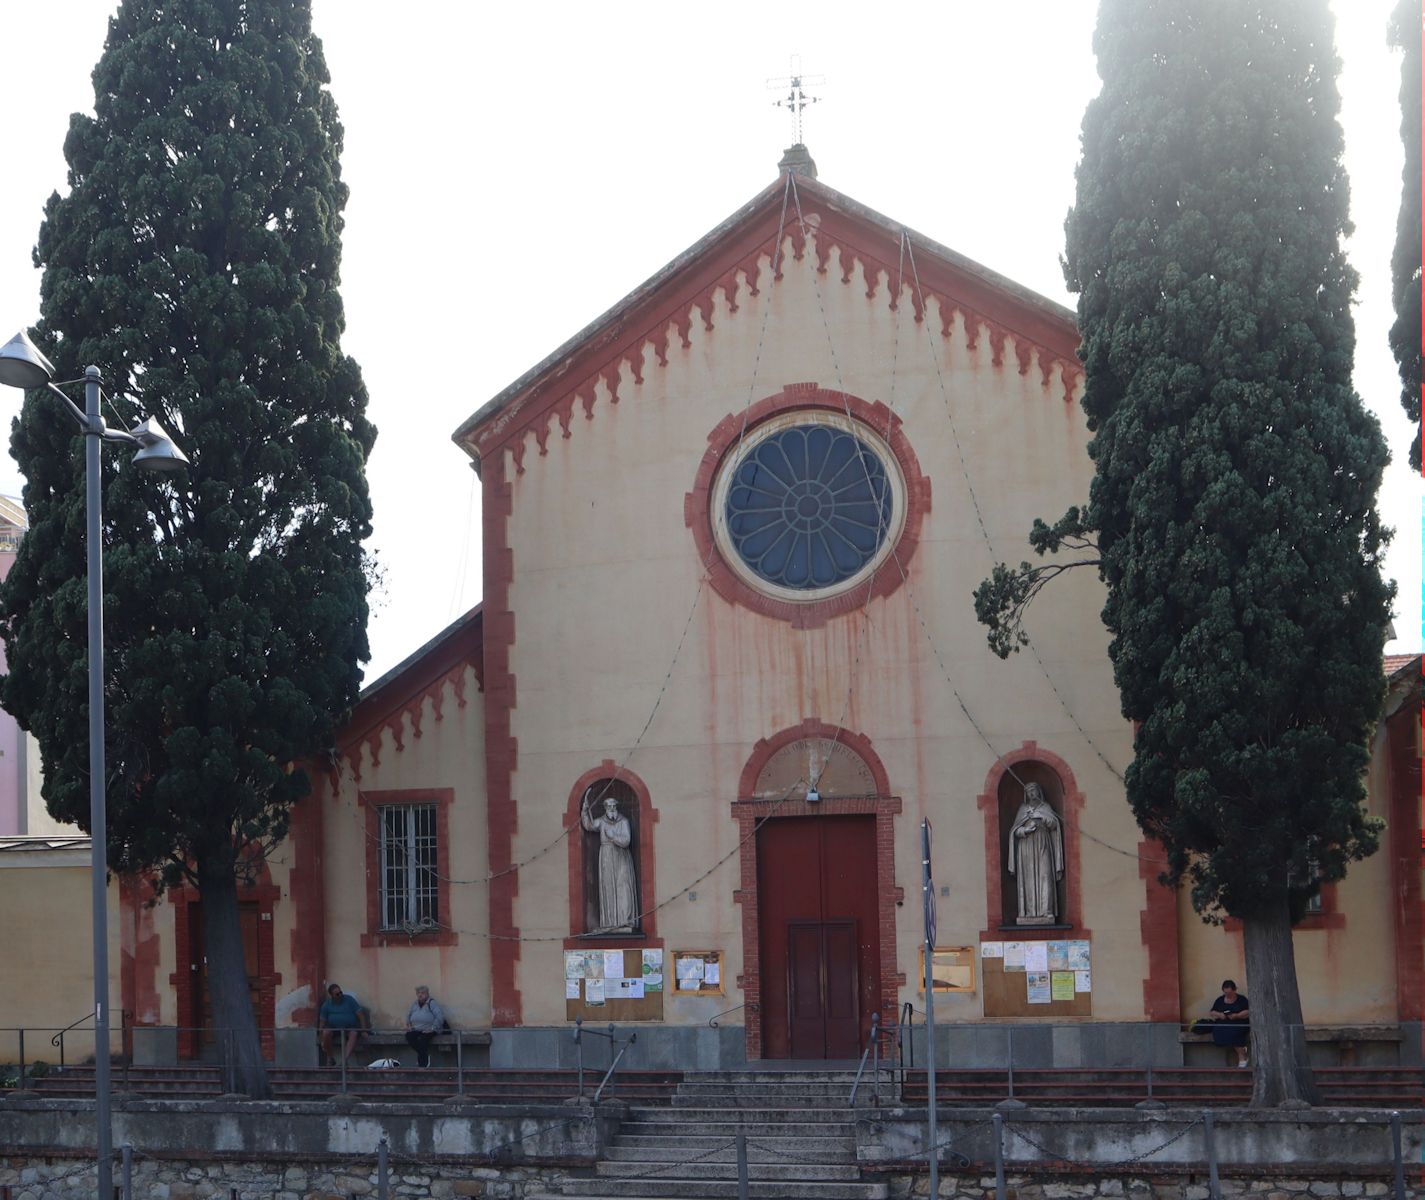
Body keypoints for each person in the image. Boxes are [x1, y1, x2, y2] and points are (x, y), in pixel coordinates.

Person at [580, 786, 638, 932]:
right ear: (605, 808)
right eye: (609, 806)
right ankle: (610, 922)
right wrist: (585, 809)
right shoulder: (601, 821)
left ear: (616, 807)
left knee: (623, 886)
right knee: (608, 887)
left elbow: (626, 841)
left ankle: (625, 921)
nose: (611, 808)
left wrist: (613, 836)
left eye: (613, 806)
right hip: (606, 856)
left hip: (621, 856)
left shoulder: (623, 821)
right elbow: (588, 825)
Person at [1007, 782, 1064, 924]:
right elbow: (1014, 831)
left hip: (1042, 843)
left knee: (1045, 874)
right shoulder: (1023, 809)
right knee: (1027, 878)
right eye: (1028, 791)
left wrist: (1040, 816)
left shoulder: (1045, 807)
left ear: (1039, 792)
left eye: (1033, 790)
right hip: (1026, 847)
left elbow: (1054, 824)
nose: (1031, 793)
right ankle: (1027, 912)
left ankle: (1047, 911)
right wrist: (1024, 830)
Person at [318, 982, 367, 1065]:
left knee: (354, 1033)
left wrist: (364, 1030)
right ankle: (330, 1058)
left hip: (350, 1026)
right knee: (326, 1032)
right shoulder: (326, 1005)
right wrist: (321, 1037)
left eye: (341, 992)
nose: (340, 995)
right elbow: (322, 1023)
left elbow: (361, 1015)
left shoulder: (349, 1000)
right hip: (333, 1027)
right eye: (337, 994)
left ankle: (344, 1061)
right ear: (332, 996)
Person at [1205, 979, 1251, 1066]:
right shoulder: (1220, 1000)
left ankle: (1242, 1056)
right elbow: (1212, 1012)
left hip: (1239, 1022)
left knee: (1234, 1032)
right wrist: (1220, 1014)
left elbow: (1248, 1011)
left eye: (1229, 993)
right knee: (1219, 1030)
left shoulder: (1242, 999)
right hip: (1224, 1022)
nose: (1227, 995)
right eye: (1225, 993)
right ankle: (1242, 1051)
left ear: (1234, 990)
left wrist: (1237, 1015)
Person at [404, 984, 446, 1068]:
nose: (420, 995)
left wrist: (432, 1028)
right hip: (417, 1029)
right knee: (409, 1036)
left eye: (422, 993)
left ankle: (422, 1063)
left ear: (427, 993)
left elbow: (440, 1016)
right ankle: (424, 1056)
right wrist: (408, 1025)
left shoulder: (431, 1003)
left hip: (430, 1029)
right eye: (418, 993)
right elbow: (408, 1015)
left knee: (422, 1040)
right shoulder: (415, 1004)